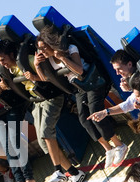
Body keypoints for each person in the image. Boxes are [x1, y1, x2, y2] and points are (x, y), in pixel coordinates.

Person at [0, 39, 86, 182]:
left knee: (47, 134)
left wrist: (35, 70)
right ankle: (75, 174)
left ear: (11, 54)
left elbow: (48, 78)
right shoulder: (11, 70)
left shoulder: (28, 60)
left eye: (3, 59)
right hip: (36, 102)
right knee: (44, 143)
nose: (3, 63)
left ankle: (58, 171)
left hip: (51, 98)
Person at [35, 25, 128, 168]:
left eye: (43, 48)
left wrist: (63, 59)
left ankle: (119, 144)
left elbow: (79, 70)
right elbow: (47, 79)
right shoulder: (49, 59)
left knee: (95, 113)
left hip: (92, 81)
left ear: (51, 44)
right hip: (79, 87)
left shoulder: (70, 49)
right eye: (39, 49)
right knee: (84, 119)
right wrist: (37, 66)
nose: (41, 51)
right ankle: (108, 148)